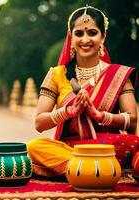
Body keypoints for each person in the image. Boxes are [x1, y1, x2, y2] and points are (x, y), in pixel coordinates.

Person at [27, 5, 138, 178]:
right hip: (71, 149)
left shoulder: (118, 74)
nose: (85, 39)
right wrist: (67, 112)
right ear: (71, 37)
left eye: (92, 33)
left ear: (103, 37)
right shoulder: (57, 74)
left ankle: (83, 171)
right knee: (35, 146)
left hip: (107, 149)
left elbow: (132, 121)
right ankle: (97, 170)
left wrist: (99, 115)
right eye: (79, 33)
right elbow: (39, 123)